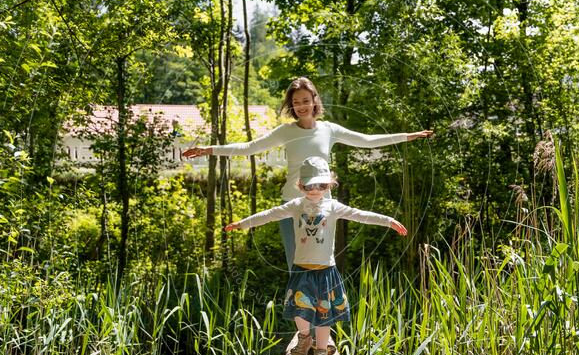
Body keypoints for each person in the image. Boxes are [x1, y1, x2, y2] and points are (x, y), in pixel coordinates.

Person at [183, 76, 430, 269]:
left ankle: (320, 328)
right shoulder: (286, 131)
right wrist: (209, 149)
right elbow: (249, 148)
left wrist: (408, 137)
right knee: (296, 265)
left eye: (305, 100)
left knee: (322, 264)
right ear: (292, 105)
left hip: (323, 206)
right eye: (295, 102)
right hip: (292, 204)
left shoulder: (329, 129)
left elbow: (367, 140)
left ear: (314, 100)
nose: (300, 106)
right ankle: (303, 333)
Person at [225, 156, 407, 355]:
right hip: (302, 269)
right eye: (310, 185)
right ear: (301, 185)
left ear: (328, 185)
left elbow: (361, 215)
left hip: (326, 271)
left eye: (321, 185)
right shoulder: (295, 205)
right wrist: (243, 224)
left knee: (324, 315)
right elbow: (269, 215)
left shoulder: (333, 206)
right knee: (298, 311)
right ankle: (304, 337)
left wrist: (388, 221)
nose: (315, 190)